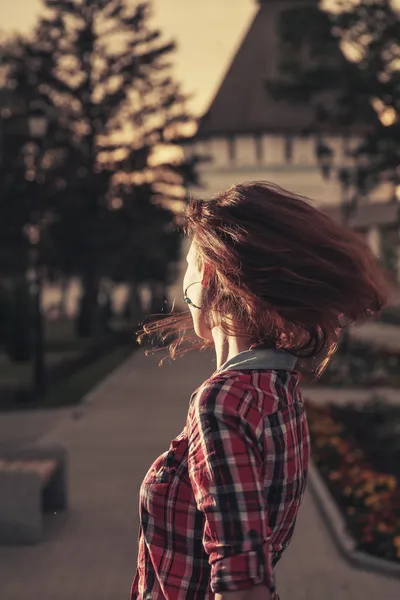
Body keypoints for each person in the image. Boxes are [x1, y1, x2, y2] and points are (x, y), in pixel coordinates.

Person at [132, 181, 392, 600]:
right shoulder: (278, 387)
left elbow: (244, 587)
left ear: (210, 273)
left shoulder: (222, 404)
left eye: (187, 263)